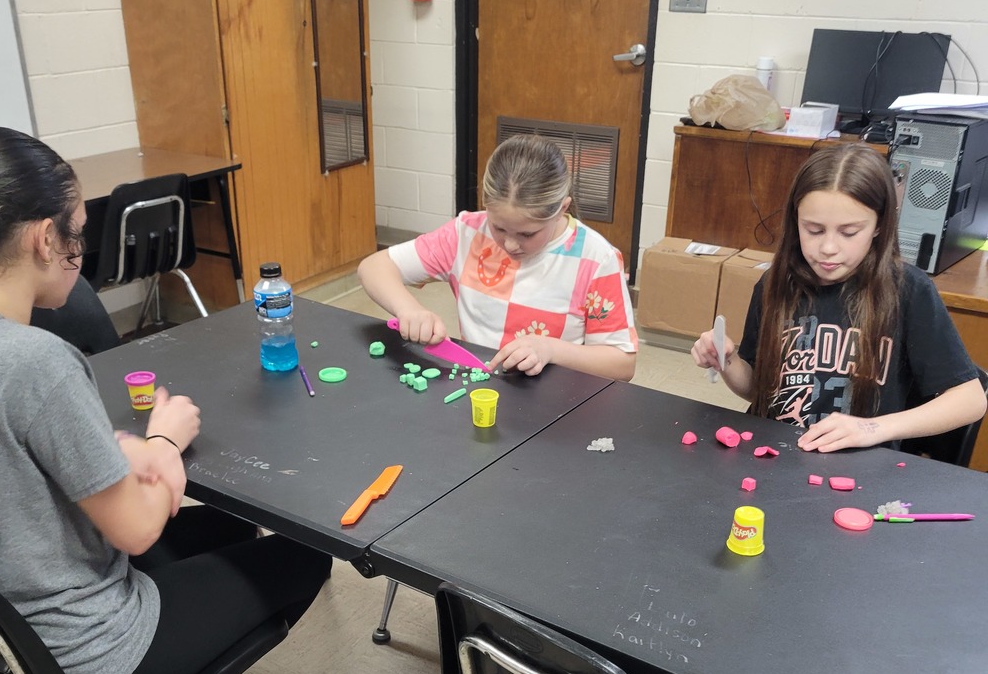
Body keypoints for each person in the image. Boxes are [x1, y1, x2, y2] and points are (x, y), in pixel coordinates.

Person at [0, 127, 332, 674]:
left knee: (229, 523)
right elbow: (134, 529)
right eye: (78, 236)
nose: (80, 254)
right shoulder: (36, 363)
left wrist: (113, 450)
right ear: (45, 239)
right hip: (92, 665)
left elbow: (7, 450)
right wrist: (162, 445)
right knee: (306, 545)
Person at [691, 143, 986, 452]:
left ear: (880, 225)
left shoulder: (908, 290)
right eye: (814, 230)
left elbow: (970, 400)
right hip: (774, 455)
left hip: (859, 468)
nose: (828, 248)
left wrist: (872, 428)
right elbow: (757, 390)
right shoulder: (775, 284)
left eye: (849, 232)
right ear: (796, 221)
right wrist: (728, 361)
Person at [358, 134, 638, 381]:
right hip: (482, 389)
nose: (511, 244)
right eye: (499, 228)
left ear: (562, 208)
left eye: (528, 234)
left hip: (555, 405)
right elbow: (374, 267)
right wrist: (410, 310)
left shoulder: (596, 259)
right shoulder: (467, 234)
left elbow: (622, 364)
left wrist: (550, 349)